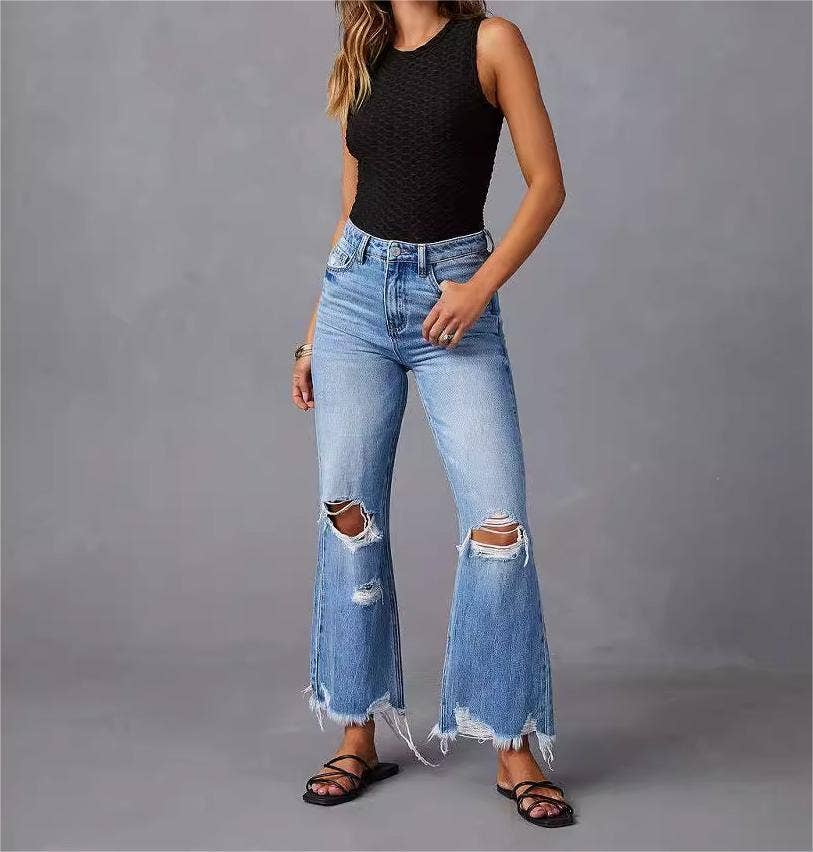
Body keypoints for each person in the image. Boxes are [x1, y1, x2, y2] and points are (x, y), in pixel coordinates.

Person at [291, 0, 572, 827]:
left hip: (453, 293)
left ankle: (510, 742)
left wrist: (479, 288)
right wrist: (311, 336)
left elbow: (547, 184)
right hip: (353, 300)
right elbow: (352, 207)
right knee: (347, 514)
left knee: (497, 522)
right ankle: (356, 730)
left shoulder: (490, 42)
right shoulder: (364, 52)